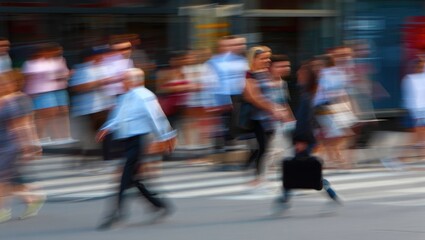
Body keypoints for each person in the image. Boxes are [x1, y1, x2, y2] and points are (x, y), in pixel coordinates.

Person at [96, 68, 176, 230]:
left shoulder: (144, 95)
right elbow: (119, 117)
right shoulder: (125, 96)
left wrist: (166, 136)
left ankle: (116, 214)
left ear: (135, 80)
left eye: (125, 79)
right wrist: (107, 127)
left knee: (124, 179)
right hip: (126, 141)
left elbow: (156, 117)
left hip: (139, 141)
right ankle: (158, 204)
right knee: (133, 179)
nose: (122, 82)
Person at [273, 61, 342, 215]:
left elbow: (305, 121)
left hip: (304, 139)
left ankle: (285, 197)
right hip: (306, 138)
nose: (297, 74)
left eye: (301, 73)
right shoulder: (307, 94)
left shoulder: (307, 96)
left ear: (307, 76)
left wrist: (301, 140)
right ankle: (329, 193)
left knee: (296, 169)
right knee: (302, 168)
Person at [0, 75, 45, 223]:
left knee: (2, 179)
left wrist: (30, 146)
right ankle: (32, 199)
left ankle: (3, 211)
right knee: (12, 179)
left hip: (10, 145)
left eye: (3, 84)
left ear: (11, 85)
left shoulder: (14, 102)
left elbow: (23, 125)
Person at [242, 46, 289, 186]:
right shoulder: (249, 75)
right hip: (258, 118)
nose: (267, 61)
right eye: (263, 58)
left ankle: (263, 172)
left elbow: (277, 93)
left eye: (268, 57)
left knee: (269, 147)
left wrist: (283, 111)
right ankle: (258, 176)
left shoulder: (267, 73)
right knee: (264, 147)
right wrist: (272, 108)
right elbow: (253, 97)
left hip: (272, 118)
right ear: (253, 59)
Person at [22, 43, 72, 144]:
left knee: (60, 113)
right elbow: (28, 80)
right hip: (39, 92)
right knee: (46, 115)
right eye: (54, 51)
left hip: (56, 89)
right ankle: (37, 138)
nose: (58, 53)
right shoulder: (31, 63)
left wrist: (64, 76)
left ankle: (63, 136)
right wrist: (28, 93)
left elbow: (63, 74)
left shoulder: (56, 61)